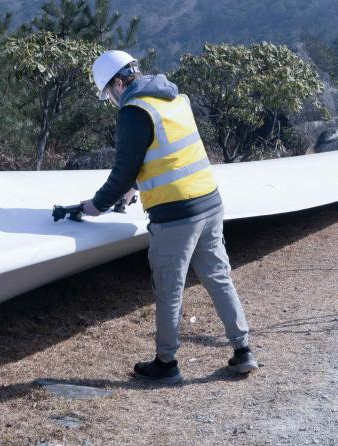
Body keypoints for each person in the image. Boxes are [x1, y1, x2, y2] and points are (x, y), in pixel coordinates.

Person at [81, 50, 256, 384]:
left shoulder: (134, 111)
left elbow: (122, 171)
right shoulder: (176, 98)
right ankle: (244, 350)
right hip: (209, 201)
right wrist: (135, 186)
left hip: (175, 216)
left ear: (119, 82)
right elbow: (168, 152)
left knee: (169, 289)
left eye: (108, 94)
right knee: (218, 277)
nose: (111, 101)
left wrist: (95, 206)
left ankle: (166, 364)